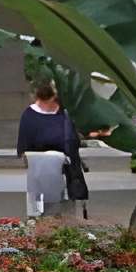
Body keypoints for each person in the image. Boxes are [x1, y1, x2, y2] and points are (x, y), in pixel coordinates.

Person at [17, 82, 85, 220]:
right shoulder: (30, 116)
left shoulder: (64, 115)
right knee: (40, 211)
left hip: (65, 172)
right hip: (40, 171)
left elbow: (73, 141)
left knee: (63, 211)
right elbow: (23, 148)